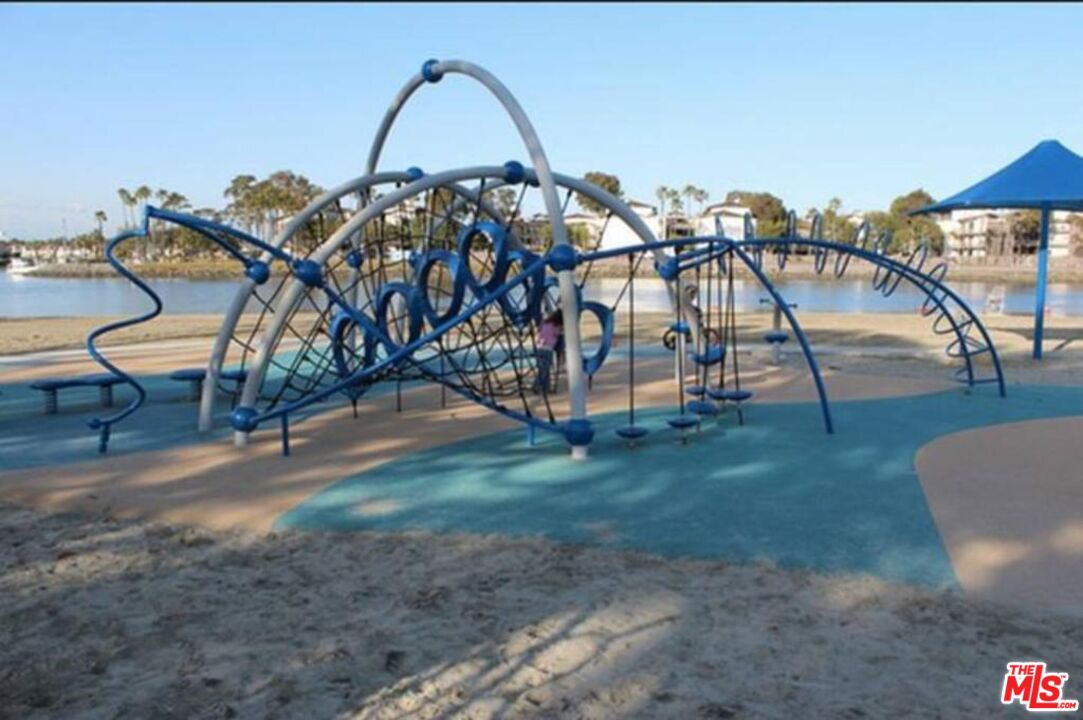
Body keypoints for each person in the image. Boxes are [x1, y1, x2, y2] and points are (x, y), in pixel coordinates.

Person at [534, 309, 563, 393]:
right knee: (545, 369)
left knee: (542, 368)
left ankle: (545, 388)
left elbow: (539, 330)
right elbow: (557, 334)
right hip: (548, 349)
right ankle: (538, 386)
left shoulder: (545, 323)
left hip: (539, 347)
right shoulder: (556, 326)